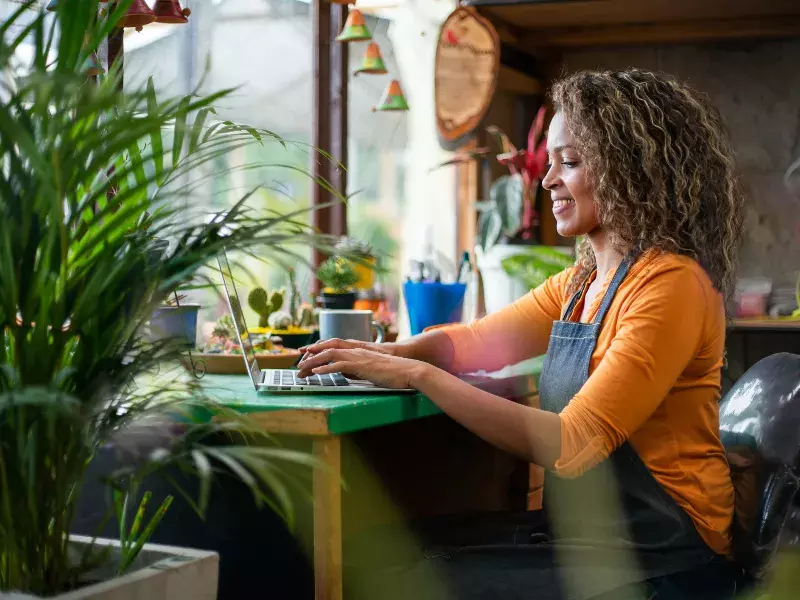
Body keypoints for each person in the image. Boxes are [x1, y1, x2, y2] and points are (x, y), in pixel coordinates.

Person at [298, 69, 745, 600]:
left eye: (571, 162)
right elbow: (472, 343)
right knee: (382, 550)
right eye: (550, 162)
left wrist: (416, 375)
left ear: (633, 170)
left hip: (670, 560)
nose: (547, 180)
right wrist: (379, 352)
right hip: (594, 537)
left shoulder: (670, 286)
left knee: (400, 574)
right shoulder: (582, 283)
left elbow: (572, 443)